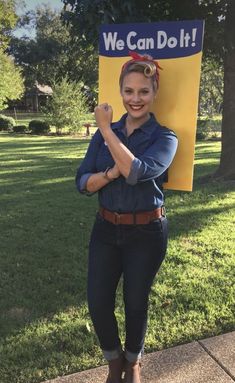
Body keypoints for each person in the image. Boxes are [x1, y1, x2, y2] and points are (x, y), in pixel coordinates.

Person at [76, 51, 178, 383]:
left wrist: (106, 129)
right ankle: (113, 362)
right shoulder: (104, 134)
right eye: (129, 91)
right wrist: (107, 173)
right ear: (121, 92)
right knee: (98, 302)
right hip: (105, 228)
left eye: (143, 91)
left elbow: (136, 172)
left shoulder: (165, 138)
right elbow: (82, 182)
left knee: (135, 302)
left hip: (146, 232)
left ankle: (132, 362)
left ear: (154, 93)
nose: (135, 99)